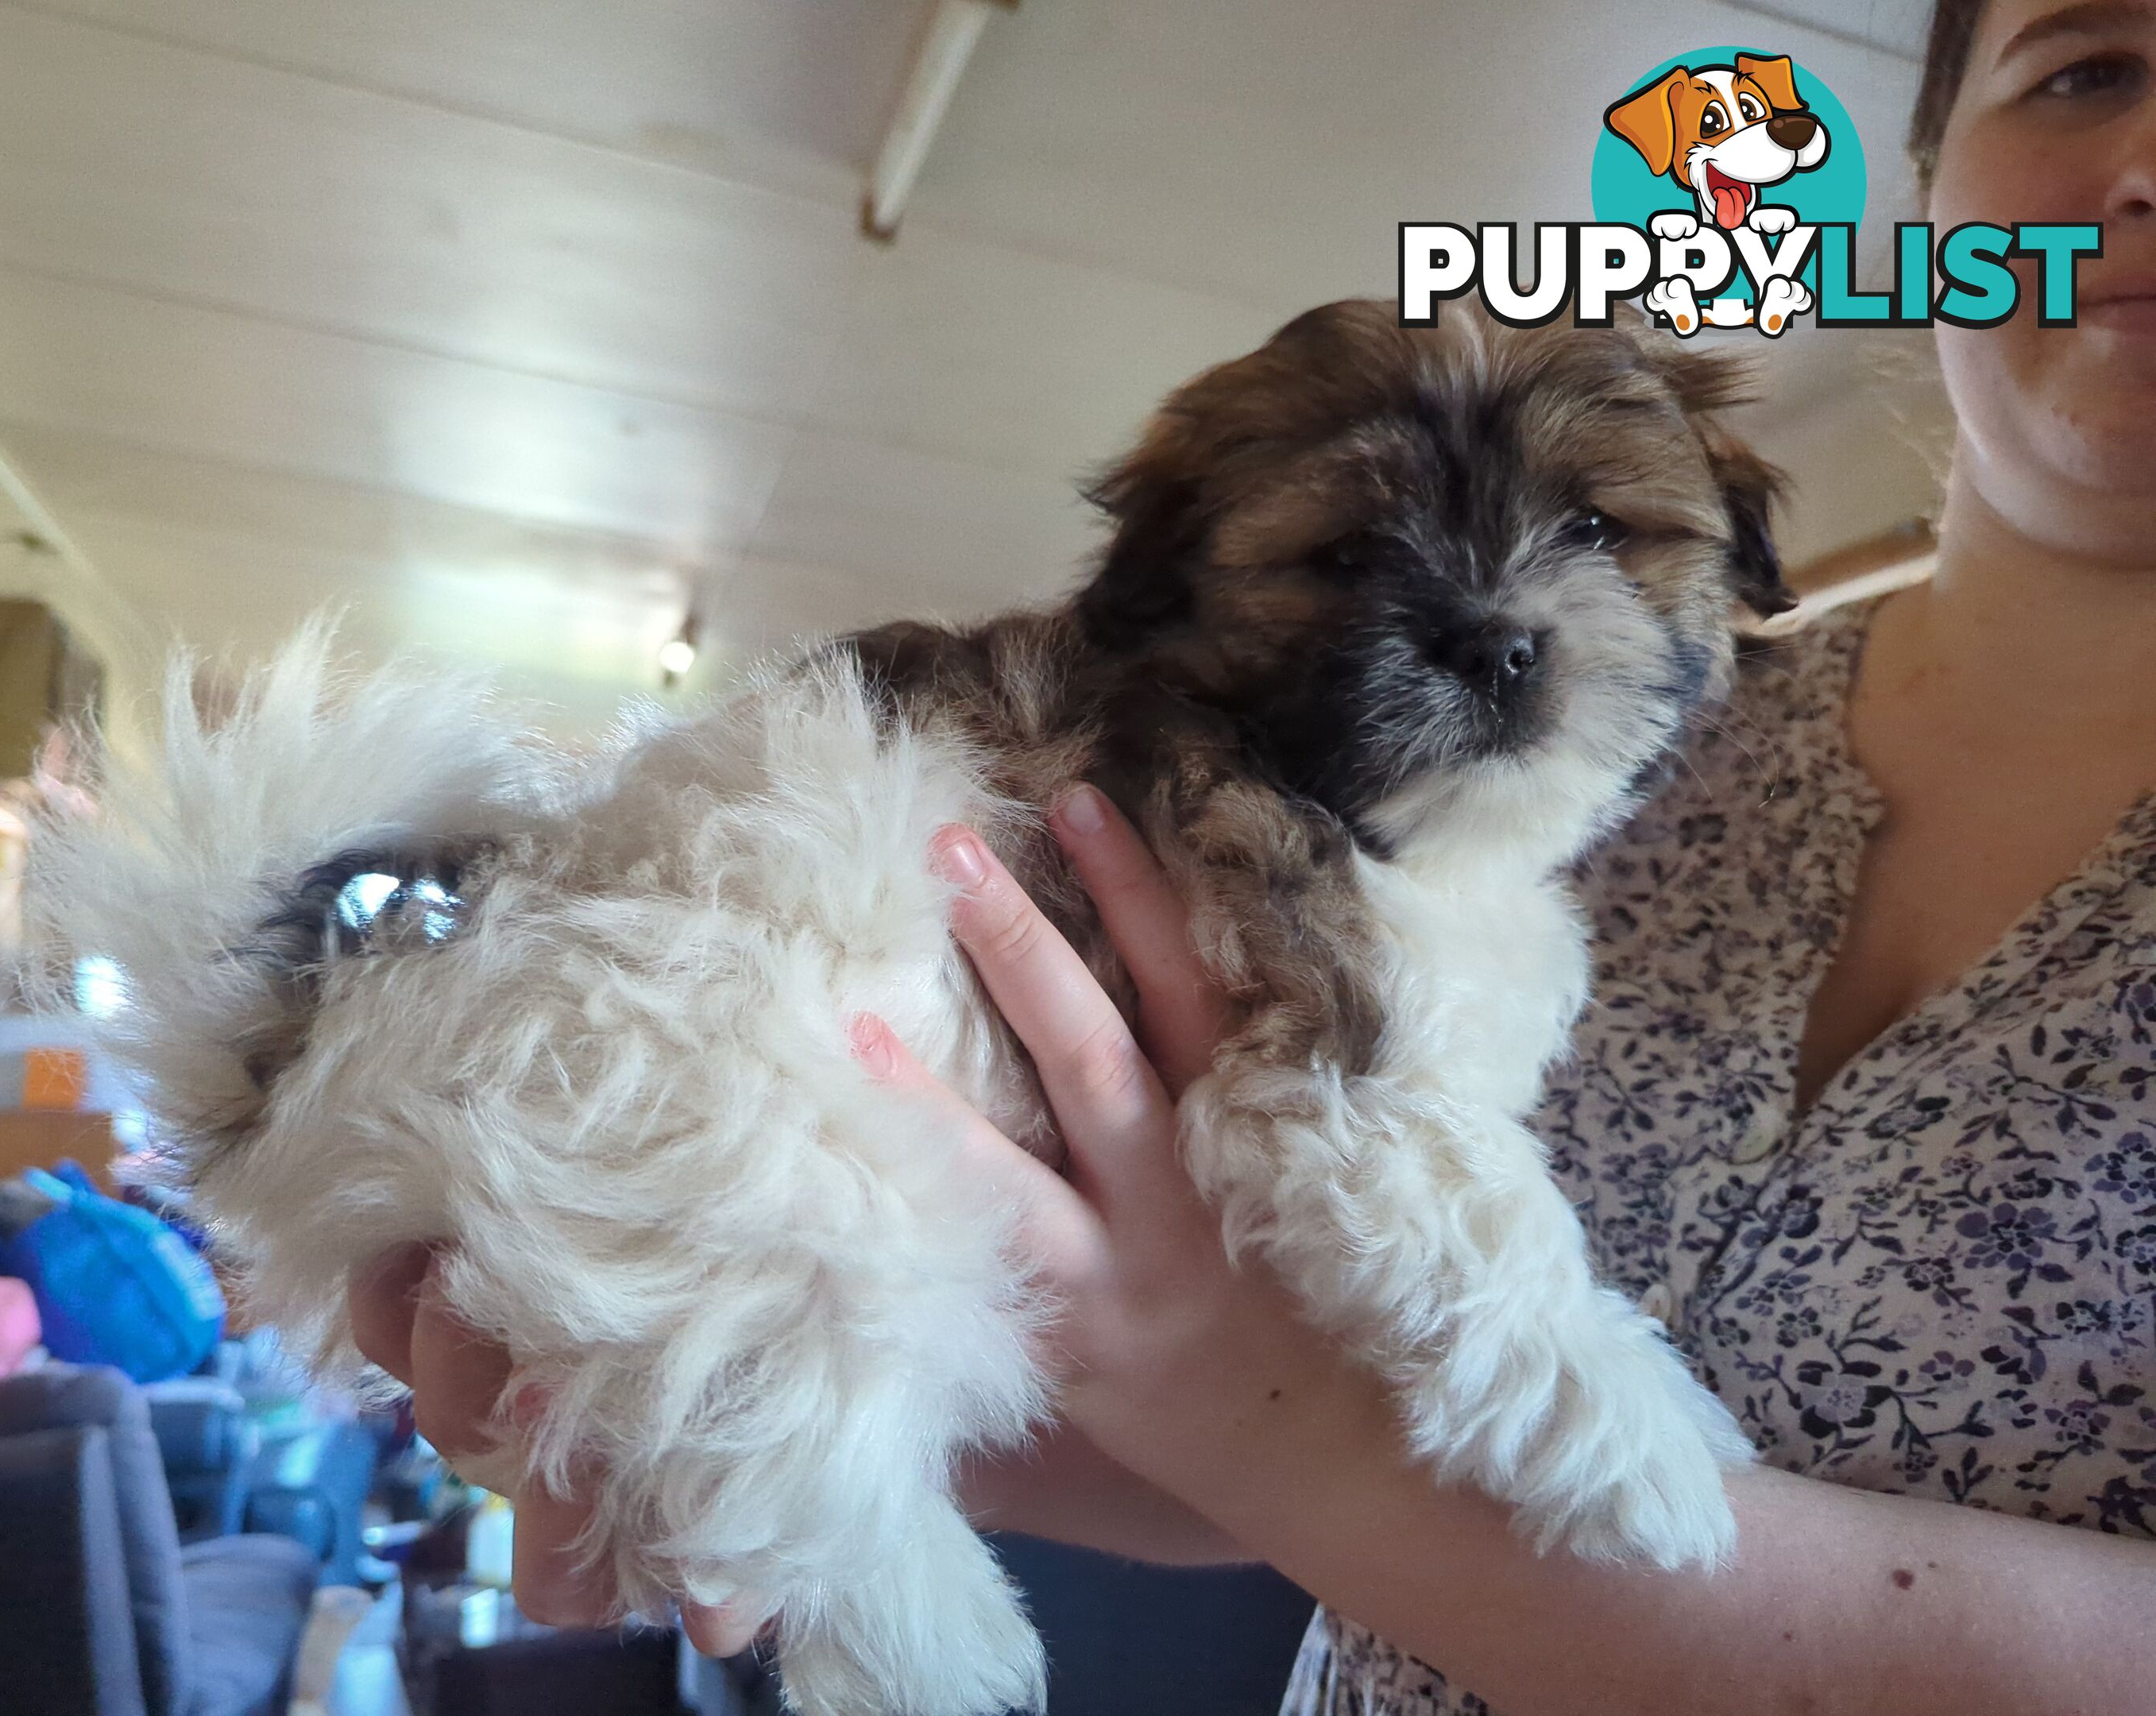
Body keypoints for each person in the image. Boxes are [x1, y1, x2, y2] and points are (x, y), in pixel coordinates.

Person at [349, 0, 2156, 1707]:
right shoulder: (1601, 770)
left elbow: (1288, 1422)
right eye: (2083, 67)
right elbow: (1247, 1425)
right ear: (1927, 196)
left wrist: (1260, 1416)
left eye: (1595, 533)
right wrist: (875, 1375)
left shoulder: (1574, 715)